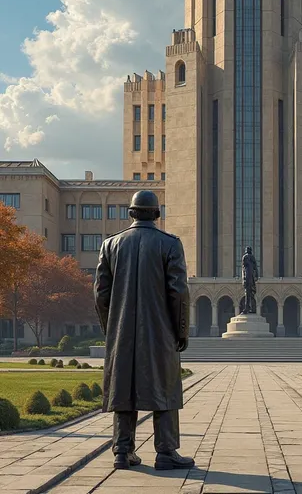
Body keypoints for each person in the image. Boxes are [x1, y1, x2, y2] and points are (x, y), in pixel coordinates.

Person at [94, 190, 194, 471]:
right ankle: (166, 452)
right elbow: (178, 292)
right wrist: (181, 331)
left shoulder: (110, 245)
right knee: (166, 387)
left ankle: (122, 451)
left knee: (123, 387)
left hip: (122, 331)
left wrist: (111, 328)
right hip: (160, 331)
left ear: (131, 213)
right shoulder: (170, 244)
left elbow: (101, 294)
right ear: (157, 214)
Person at [241, 246, 258, 314]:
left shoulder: (245, 257)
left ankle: (247, 308)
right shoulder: (252, 257)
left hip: (248, 277)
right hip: (252, 278)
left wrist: (244, 279)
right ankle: (252, 308)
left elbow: (243, 269)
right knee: (252, 293)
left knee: (247, 293)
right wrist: (256, 276)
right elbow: (255, 268)